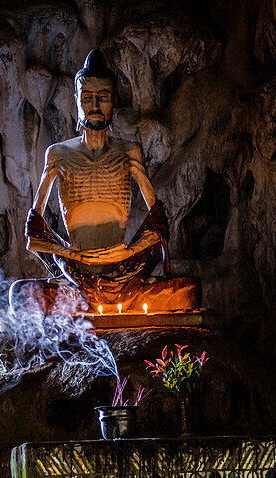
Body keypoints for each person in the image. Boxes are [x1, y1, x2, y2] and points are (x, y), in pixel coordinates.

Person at [13, 49, 201, 313]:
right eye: (87, 97)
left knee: (189, 290)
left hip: (125, 268)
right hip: (77, 271)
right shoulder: (58, 154)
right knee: (22, 294)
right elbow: (34, 234)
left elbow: (159, 223)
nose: (95, 106)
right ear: (76, 101)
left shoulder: (129, 151)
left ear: (113, 102)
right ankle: (100, 301)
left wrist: (126, 253)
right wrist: (74, 255)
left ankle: (99, 304)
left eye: (103, 98)